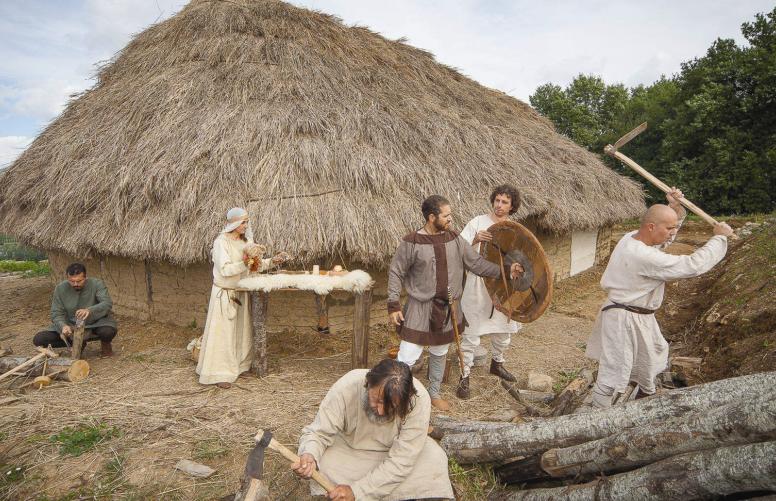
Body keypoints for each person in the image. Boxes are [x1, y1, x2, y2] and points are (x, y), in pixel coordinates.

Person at [585, 189, 733, 407]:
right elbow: (691, 265)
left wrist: (676, 208)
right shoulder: (641, 255)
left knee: (651, 360)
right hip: (623, 319)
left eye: (674, 227)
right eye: (670, 228)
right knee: (615, 370)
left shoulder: (632, 238)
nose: (673, 233)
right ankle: (598, 414)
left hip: (638, 317)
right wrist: (719, 238)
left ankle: (642, 401)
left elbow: (660, 240)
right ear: (651, 227)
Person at [387, 195, 524, 411]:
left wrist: (506, 271)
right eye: (446, 215)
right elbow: (396, 271)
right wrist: (393, 304)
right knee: (407, 356)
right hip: (419, 308)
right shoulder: (411, 242)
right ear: (432, 217)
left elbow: (477, 263)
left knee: (439, 352)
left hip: (448, 309)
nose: (451, 219)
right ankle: (396, 397)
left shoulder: (455, 239)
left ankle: (433, 393)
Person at [292, 358, 454, 501]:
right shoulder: (347, 385)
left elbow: (402, 460)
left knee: (434, 460)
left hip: (395, 454)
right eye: (377, 400)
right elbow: (318, 432)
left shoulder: (418, 399)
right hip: (351, 452)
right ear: (368, 384)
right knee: (325, 463)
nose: (381, 411)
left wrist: (357, 492)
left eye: (391, 406)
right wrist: (309, 455)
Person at [195, 207, 285, 389]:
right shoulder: (222, 242)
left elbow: (254, 267)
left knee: (240, 333)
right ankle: (218, 372)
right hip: (225, 294)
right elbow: (225, 270)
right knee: (224, 335)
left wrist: (271, 261)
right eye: (243, 222)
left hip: (241, 293)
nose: (246, 225)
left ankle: (238, 366)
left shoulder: (247, 242)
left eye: (246, 222)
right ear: (234, 223)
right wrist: (245, 262)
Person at [456, 184, 523, 399]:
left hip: (503, 285)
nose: (499, 205)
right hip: (478, 283)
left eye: (505, 202)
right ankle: (464, 375)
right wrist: (475, 239)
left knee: (503, 329)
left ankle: (497, 363)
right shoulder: (477, 222)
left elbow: (521, 257)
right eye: (497, 200)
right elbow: (457, 248)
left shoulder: (515, 229)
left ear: (512, 206)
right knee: (472, 331)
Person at [33, 262, 117, 357]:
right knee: (39, 339)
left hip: (95, 323)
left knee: (108, 331)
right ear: (67, 278)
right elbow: (56, 313)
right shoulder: (60, 289)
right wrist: (63, 326)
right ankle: (77, 343)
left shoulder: (97, 284)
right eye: (72, 281)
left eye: (79, 281)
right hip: (71, 325)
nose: (75, 284)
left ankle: (105, 346)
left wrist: (89, 310)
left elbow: (107, 303)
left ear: (85, 277)